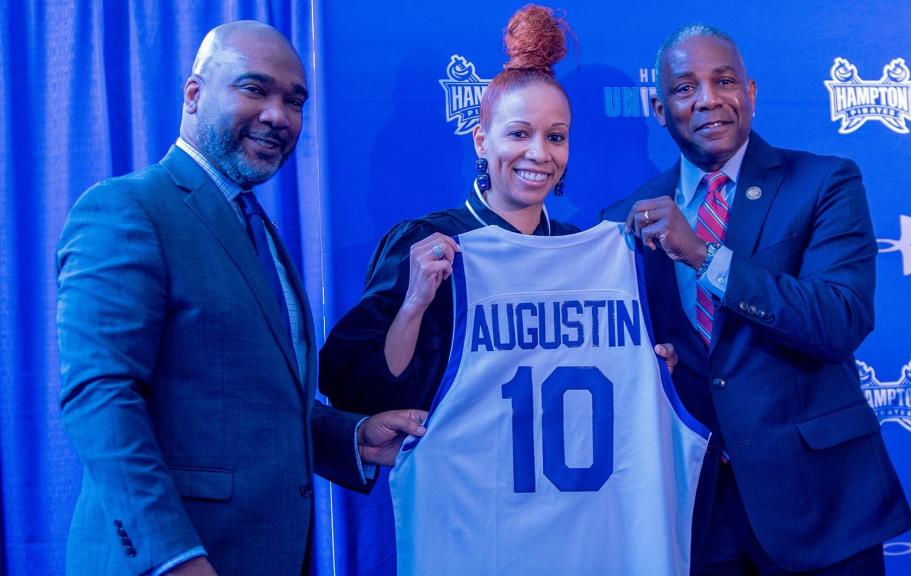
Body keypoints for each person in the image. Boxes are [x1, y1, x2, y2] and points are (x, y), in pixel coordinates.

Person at [56, 21, 426, 576]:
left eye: (294, 100)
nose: (279, 115)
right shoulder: (127, 210)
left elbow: (247, 404)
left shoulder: (256, 228)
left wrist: (352, 437)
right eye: (255, 89)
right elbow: (100, 399)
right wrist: (174, 558)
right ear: (193, 94)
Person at [602, 24, 911, 575]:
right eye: (684, 87)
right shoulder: (623, 216)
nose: (708, 99)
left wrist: (703, 255)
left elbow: (840, 320)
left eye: (724, 81)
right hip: (692, 509)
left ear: (751, 91)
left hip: (820, 504)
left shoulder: (824, 182)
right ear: (657, 108)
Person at [319, 5, 586, 413]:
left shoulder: (582, 250)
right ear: (481, 140)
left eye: (555, 136)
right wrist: (413, 304)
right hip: (456, 475)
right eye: (518, 133)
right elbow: (354, 389)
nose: (539, 153)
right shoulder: (426, 243)